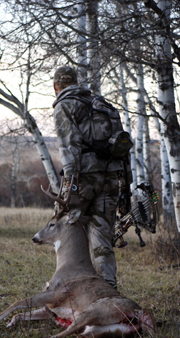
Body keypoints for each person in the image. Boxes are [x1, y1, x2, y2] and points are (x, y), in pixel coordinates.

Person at [52, 66, 125, 289]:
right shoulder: (103, 105)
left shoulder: (64, 105)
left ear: (56, 86)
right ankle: (108, 289)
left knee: (65, 227)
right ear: (76, 82)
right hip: (111, 176)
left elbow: (69, 146)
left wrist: (69, 185)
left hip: (83, 178)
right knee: (102, 235)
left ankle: (66, 287)